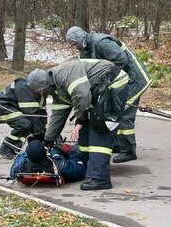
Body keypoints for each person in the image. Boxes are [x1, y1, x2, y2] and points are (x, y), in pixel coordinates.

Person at [27, 58, 130, 191]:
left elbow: (82, 95)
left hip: (113, 84)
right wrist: (48, 140)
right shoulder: (56, 88)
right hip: (95, 91)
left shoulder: (64, 75)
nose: (42, 95)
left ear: (43, 86)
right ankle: (86, 166)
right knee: (85, 130)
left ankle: (101, 178)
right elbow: (58, 115)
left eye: (41, 91)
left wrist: (80, 120)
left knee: (99, 128)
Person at [65, 26, 152, 163]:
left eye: (74, 43)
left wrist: (105, 80)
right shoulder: (86, 50)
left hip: (134, 80)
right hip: (120, 82)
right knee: (112, 110)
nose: (75, 47)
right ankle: (118, 144)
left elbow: (120, 60)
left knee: (122, 112)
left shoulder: (101, 42)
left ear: (80, 38)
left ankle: (128, 150)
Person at [0, 77, 47, 159]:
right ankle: (7, 148)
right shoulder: (26, 89)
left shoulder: (38, 90)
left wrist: (45, 133)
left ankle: (33, 144)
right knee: (24, 124)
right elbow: (32, 116)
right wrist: (40, 136)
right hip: (3, 105)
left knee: (34, 125)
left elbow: (41, 115)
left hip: (13, 105)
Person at [9, 139, 86, 184]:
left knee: (54, 151)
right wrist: (70, 152)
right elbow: (81, 168)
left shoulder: (19, 167)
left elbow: (12, 174)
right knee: (80, 149)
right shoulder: (61, 167)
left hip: (43, 160)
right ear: (46, 153)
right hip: (56, 159)